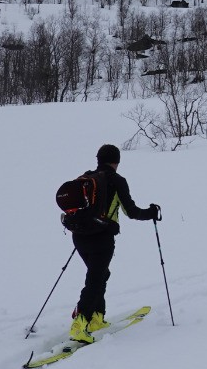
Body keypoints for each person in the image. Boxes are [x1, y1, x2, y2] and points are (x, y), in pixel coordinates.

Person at [68, 144, 160, 343]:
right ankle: (80, 323)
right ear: (117, 162)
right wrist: (151, 213)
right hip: (102, 236)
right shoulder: (117, 181)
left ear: (98, 159)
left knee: (100, 274)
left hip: (79, 234)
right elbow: (132, 212)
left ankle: (97, 318)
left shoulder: (86, 177)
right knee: (95, 278)